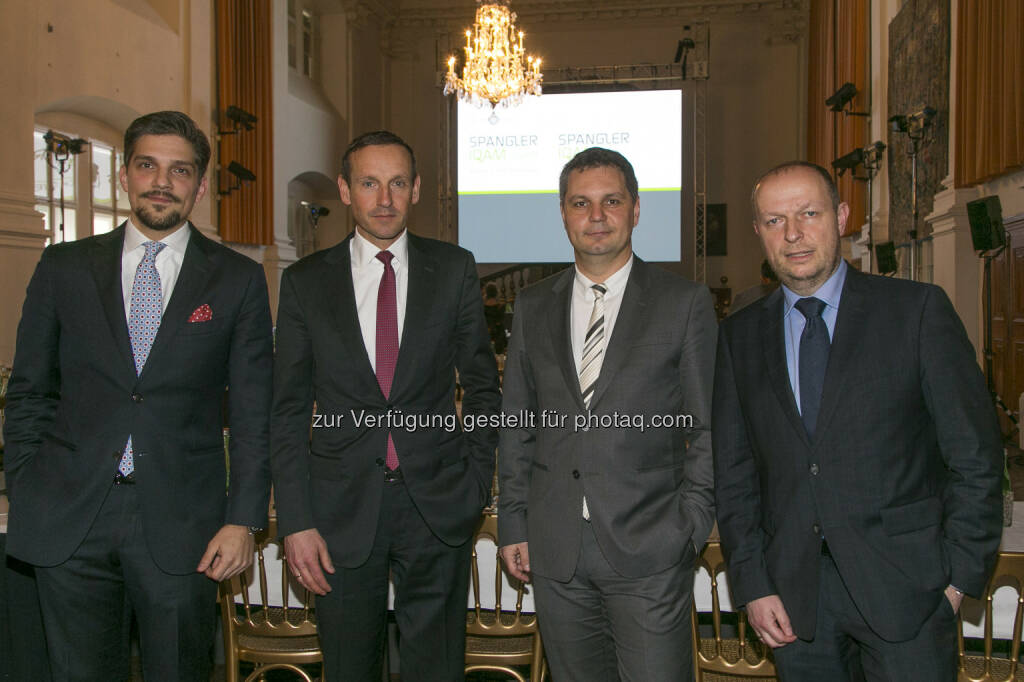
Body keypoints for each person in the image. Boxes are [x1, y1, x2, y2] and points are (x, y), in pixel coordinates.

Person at [3, 110, 274, 681]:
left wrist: (244, 520)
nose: (161, 181)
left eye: (180, 171)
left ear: (200, 186)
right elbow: (29, 392)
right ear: (125, 175)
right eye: (148, 165)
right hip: (70, 517)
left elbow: (254, 413)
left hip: (185, 526)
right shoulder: (64, 268)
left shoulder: (236, 279)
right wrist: (31, 487)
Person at [713, 161, 1003, 681]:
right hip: (795, 602)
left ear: (842, 216)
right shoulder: (739, 337)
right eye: (775, 221)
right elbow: (735, 478)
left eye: (809, 213)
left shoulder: (915, 312)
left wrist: (957, 580)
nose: (794, 234)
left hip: (908, 592)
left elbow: (975, 455)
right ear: (758, 232)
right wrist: (752, 584)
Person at [271, 130, 501, 681]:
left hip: (438, 505)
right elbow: (286, 409)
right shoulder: (304, 282)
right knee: (350, 669)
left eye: (397, 183)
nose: (384, 199)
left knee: (437, 670)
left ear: (416, 188)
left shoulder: (453, 269)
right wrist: (296, 520)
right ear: (346, 191)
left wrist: (474, 484)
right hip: (338, 513)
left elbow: (484, 387)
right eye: (369, 183)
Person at [498, 147, 717, 681]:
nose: (596, 216)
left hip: (651, 548)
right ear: (564, 214)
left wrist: (688, 528)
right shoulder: (532, 305)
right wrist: (513, 521)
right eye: (581, 203)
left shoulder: (684, 303)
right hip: (555, 550)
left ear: (636, 210)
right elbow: (518, 423)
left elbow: (711, 428)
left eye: (611, 201)